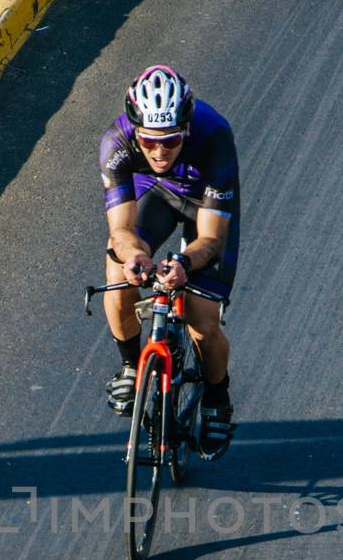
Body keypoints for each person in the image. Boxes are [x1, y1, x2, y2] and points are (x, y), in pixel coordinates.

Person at [98, 64, 239, 458]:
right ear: (135, 132)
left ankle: (216, 399)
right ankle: (130, 365)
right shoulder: (116, 143)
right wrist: (135, 256)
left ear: (187, 129)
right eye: (149, 142)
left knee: (201, 317)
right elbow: (121, 231)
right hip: (154, 192)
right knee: (117, 270)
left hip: (204, 200)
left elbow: (211, 239)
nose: (159, 151)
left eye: (171, 141)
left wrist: (185, 264)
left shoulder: (214, 137)